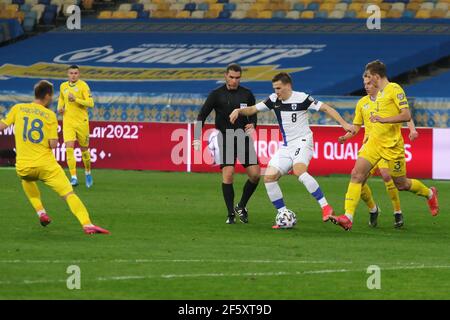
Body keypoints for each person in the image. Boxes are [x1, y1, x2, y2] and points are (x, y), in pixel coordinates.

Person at [229, 72, 354, 228]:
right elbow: (254, 109)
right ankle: (283, 214)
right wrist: (238, 111)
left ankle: (325, 207)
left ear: (288, 86)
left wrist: (344, 124)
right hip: (287, 145)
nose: (276, 92)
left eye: (279, 88)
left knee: (299, 170)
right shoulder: (273, 99)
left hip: (303, 141)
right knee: (269, 177)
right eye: (274, 88)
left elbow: (326, 109)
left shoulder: (302, 98)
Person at [330, 60, 439, 231]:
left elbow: (406, 114)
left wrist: (385, 120)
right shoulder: (376, 95)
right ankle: (348, 217)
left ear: (376, 76)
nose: (367, 82)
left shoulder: (394, 89)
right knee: (356, 175)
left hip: (392, 146)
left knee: (401, 184)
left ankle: (430, 194)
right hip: (373, 142)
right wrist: (348, 135)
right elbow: (362, 123)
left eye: (369, 78)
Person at [0, 80, 109, 234]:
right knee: (69, 194)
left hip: (24, 166)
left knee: (26, 179)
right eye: (51, 96)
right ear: (47, 96)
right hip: (47, 166)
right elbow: (53, 145)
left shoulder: (18, 108)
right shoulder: (49, 115)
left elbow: (2, 126)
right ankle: (87, 224)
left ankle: (41, 212)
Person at [338, 73, 419, 228]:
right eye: (365, 84)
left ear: (376, 82)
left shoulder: (388, 95)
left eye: (369, 83)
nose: (367, 86)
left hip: (387, 144)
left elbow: (405, 114)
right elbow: (356, 126)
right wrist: (346, 137)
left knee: (387, 176)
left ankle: (397, 212)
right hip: (370, 145)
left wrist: (412, 129)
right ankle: (373, 209)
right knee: (358, 179)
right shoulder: (362, 103)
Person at [193, 63, 260, 224]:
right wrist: (196, 137)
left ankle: (241, 206)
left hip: (243, 138)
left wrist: (253, 124)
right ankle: (230, 214)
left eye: (237, 78)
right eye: (231, 77)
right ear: (225, 76)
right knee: (228, 174)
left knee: (256, 175)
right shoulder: (216, 94)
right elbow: (202, 116)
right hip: (225, 137)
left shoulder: (247, 94)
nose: (234, 80)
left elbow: (253, 113)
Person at [57, 65, 94, 188]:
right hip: (68, 122)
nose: (73, 75)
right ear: (67, 74)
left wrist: (76, 99)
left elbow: (91, 103)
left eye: (75, 73)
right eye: (71, 73)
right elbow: (61, 100)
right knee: (69, 148)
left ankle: (88, 172)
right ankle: (73, 177)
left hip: (81, 122)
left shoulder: (83, 86)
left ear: (79, 74)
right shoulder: (63, 86)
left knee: (84, 150)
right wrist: (60, 109)